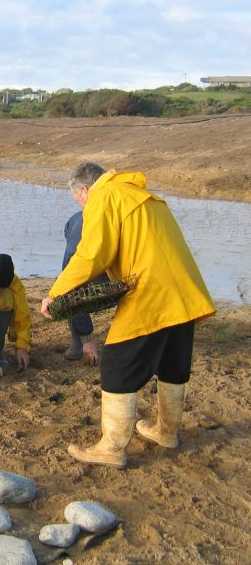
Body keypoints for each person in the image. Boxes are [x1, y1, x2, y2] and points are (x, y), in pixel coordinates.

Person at [41, 161, 215, 468]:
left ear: (84, 189)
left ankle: (111, 448)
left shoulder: (104, 198)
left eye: (79, 201)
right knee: (172, 361)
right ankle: (166, 431)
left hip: (151, 292)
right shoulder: (141, 194)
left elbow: (92, 254)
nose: (82, 206)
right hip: (184, 290)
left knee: (117, 362)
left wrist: (55, 292)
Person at [62, 211, 107, 366]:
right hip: (84, 261)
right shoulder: (74, 251)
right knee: (71, 291)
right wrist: (87, 338)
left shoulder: (79, 219)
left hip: (105, 260)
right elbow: (70, 289)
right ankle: (77, 344)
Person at [0, 253, 31, 375]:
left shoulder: (15, 285)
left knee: (5, 298)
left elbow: (23, 316)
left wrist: (22, 346)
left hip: (0, 313)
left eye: (0, 288)